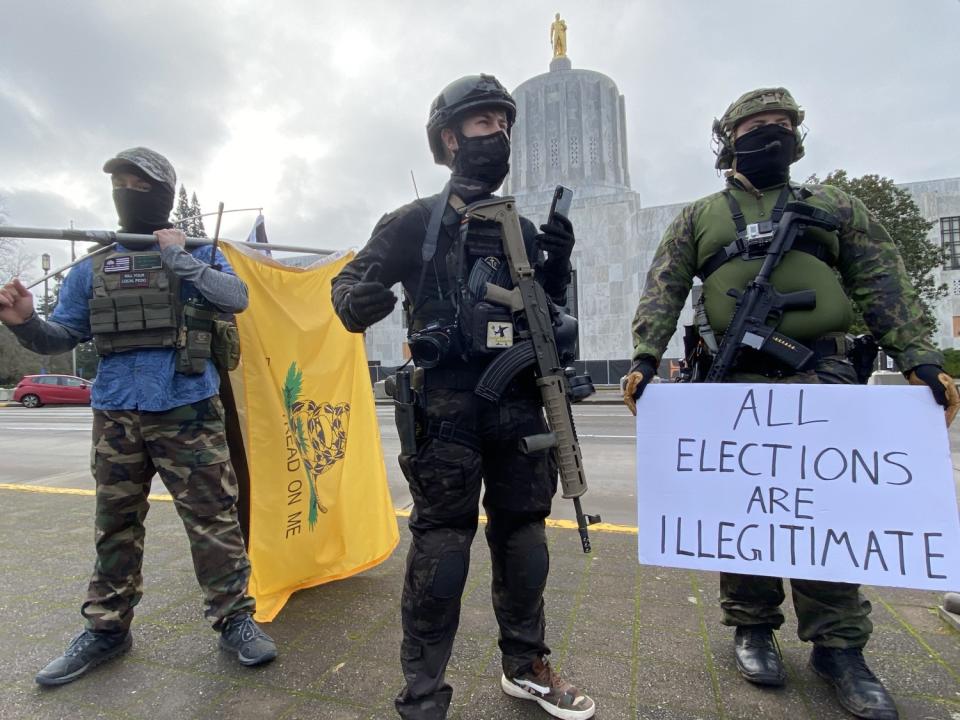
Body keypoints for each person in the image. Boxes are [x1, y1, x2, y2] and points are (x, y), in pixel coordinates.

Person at [622, 88, 959, 720]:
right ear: (729, 139)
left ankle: (840, 647)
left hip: (822, 374)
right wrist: (644, 356)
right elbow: (663, 287)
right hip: (731, 381)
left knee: (821, 511)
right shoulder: (699, 215)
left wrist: (921, 357)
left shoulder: (834, 206)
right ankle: (752, 626)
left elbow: (882, 279)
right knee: (744, 507)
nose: (771, 133)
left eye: (782, 125)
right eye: (757, 125)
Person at [331, 74, 595, 720]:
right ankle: (423, 694)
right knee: (444, 550)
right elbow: (348, 288)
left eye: (505, 125)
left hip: (519, 408)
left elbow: (553, 316)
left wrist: (558, 269)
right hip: (446, 411)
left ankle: (526, 666)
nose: (498, 136)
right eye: (484, 124)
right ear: (449, 139)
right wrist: (357, 300)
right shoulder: (414, 223)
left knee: (526, 542)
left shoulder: (524, 229)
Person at [0, 147, 277, 686]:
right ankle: (107, 629)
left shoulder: (198, 252)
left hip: (188, 408)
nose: (128, 189)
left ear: (166, 193)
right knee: (115, 526)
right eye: (121, 182)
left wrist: (182, 260)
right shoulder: (94, 264)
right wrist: (24, 323)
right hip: (117, 414)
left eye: (140, 182)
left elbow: (236, 297)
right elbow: (62, 336)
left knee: (213, 521)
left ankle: (234, 621)